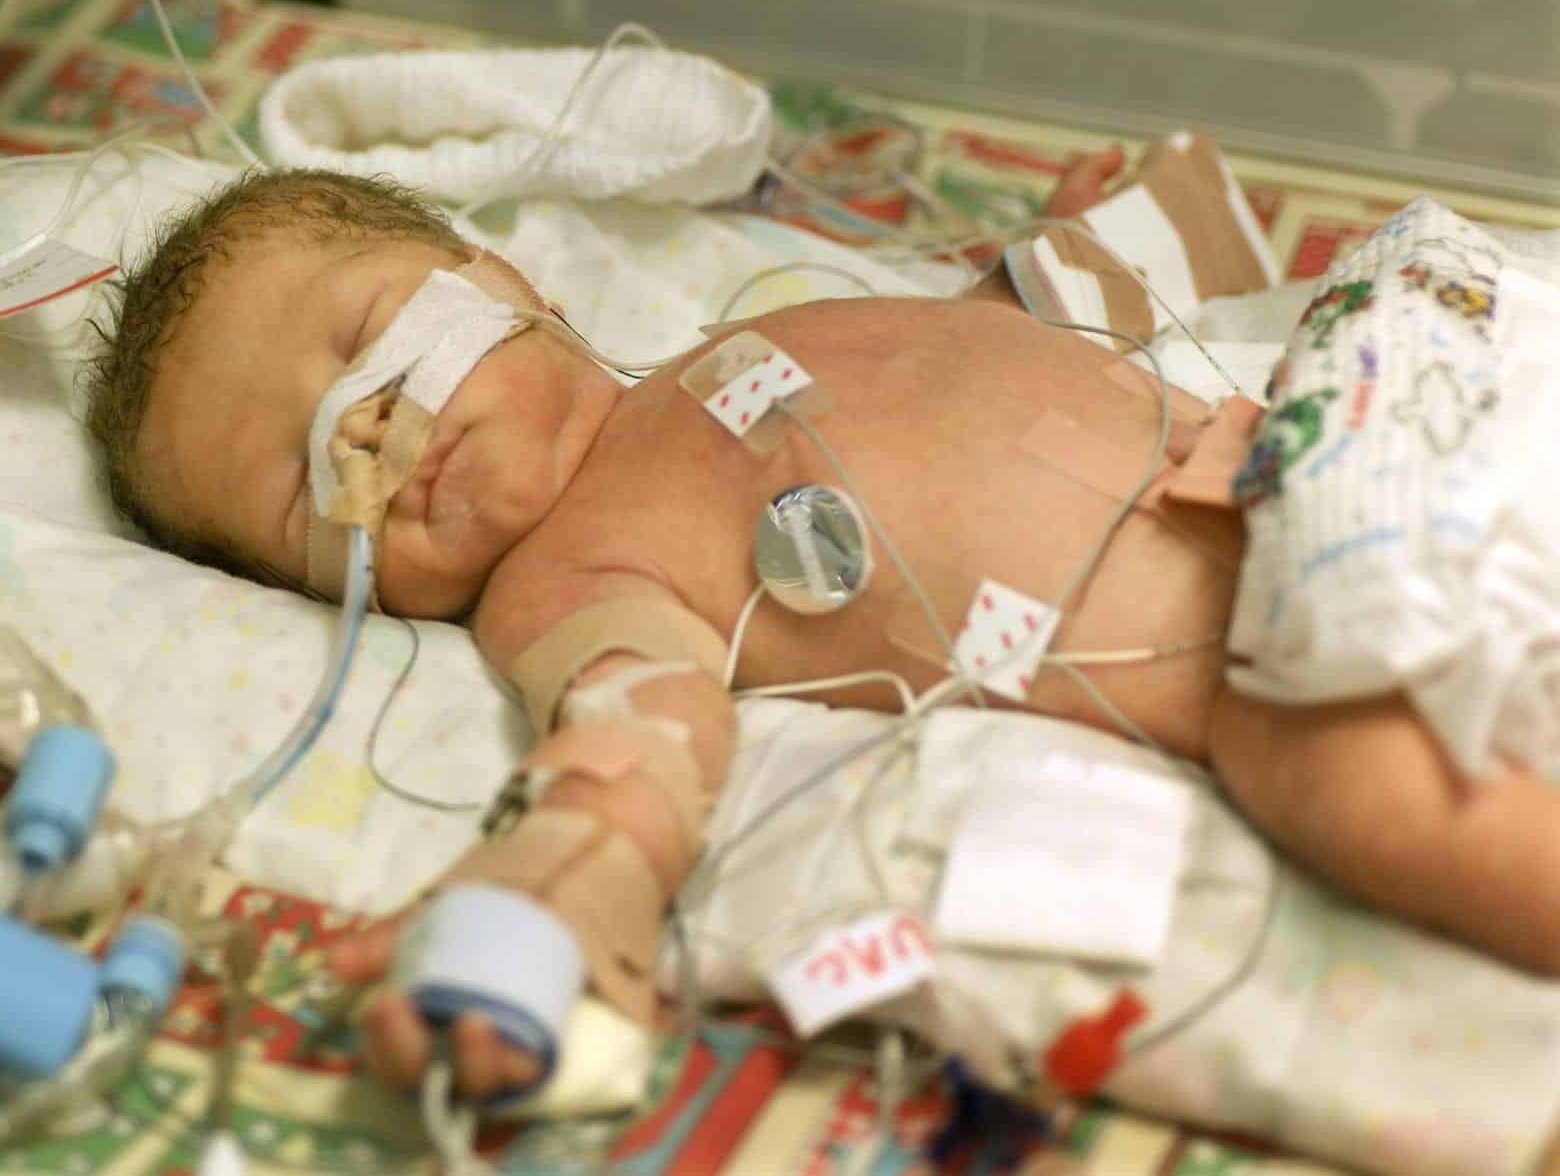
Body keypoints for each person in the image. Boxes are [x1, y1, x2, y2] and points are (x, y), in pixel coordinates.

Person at [80, 144, 1560, 1107]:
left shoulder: (757, 326)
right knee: (1354, 780)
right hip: (1258, 634)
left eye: (361, 336)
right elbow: (635, 730)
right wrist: (558, 878)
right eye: (296, 480)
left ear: (496, 272)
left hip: (1370, 430)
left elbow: (1038, 324)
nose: (373, 424)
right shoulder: (570, 577)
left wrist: (1115, 220)